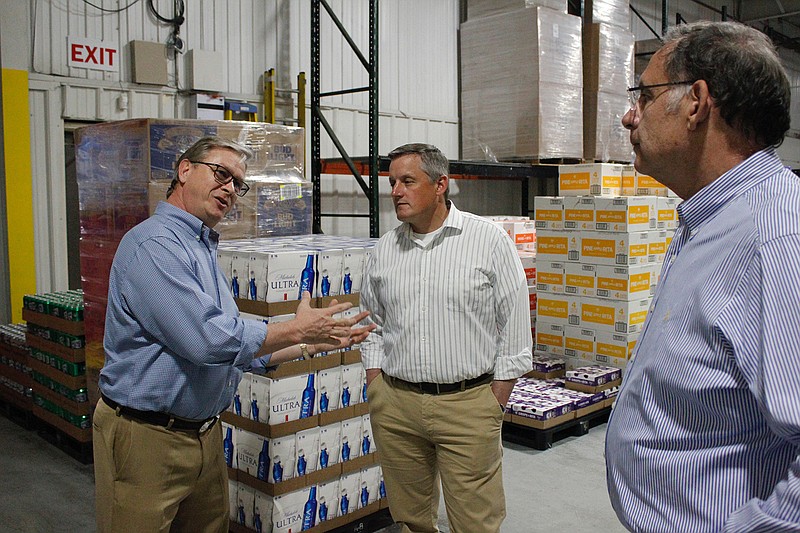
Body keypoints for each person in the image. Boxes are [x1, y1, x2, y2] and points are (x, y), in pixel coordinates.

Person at [93, 136, 375, 533]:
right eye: (221, 174)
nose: (229, 189)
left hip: (205, 432)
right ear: (184, 170)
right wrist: (295, 326)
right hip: (147, 438)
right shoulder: (154, 245)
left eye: (237, 184)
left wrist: (306, 344)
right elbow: (209, 340)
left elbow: (236, 351)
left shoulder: (202, 247)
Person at [605, 21, 800, 533]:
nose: (630, 116)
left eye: (644, 96)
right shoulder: (714, 219)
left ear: (696, 102)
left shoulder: (771, 237)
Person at [361, 143, 533, 533]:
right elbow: (372, 323)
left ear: (441, 184)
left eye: (407, 181)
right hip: (397, 405)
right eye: (391, 183)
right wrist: (377, 385)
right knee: (409, 518)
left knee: (476, 521)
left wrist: (494, 400)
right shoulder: (385, 250)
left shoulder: (488, 241)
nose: (395, 192)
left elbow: (516, 325)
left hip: (468, 404)